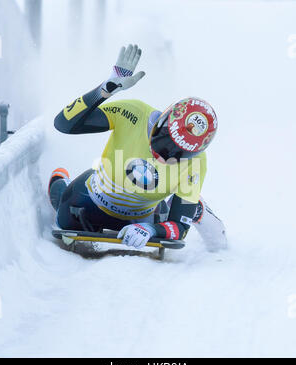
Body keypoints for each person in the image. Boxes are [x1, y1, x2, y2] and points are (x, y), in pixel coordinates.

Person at [49, 44, 227, 251]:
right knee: (63, 215)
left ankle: (194, 206)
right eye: (165, 141)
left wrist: (153, 230)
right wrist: (104, 90)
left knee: (182, 211)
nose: (165, 155)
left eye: (180, 153)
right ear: (161, 121)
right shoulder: (133, 112)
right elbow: (63, 124)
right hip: (90, 199)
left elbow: (179, 228)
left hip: (144, 216)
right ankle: (61, 177)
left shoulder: (197, 162)